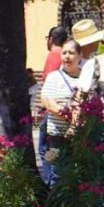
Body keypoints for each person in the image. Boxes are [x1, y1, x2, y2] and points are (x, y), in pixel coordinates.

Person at [39, 39, 83, 184]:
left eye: (71, 53)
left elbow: (91, 104)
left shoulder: (86, 78)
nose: (66, 56)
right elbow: (47, 102)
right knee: (57, 176)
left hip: (82, 137)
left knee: (79, 176)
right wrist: (74, 116)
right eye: (64, 53)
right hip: (58, 136)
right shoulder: (54, 77)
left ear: (80, 56)